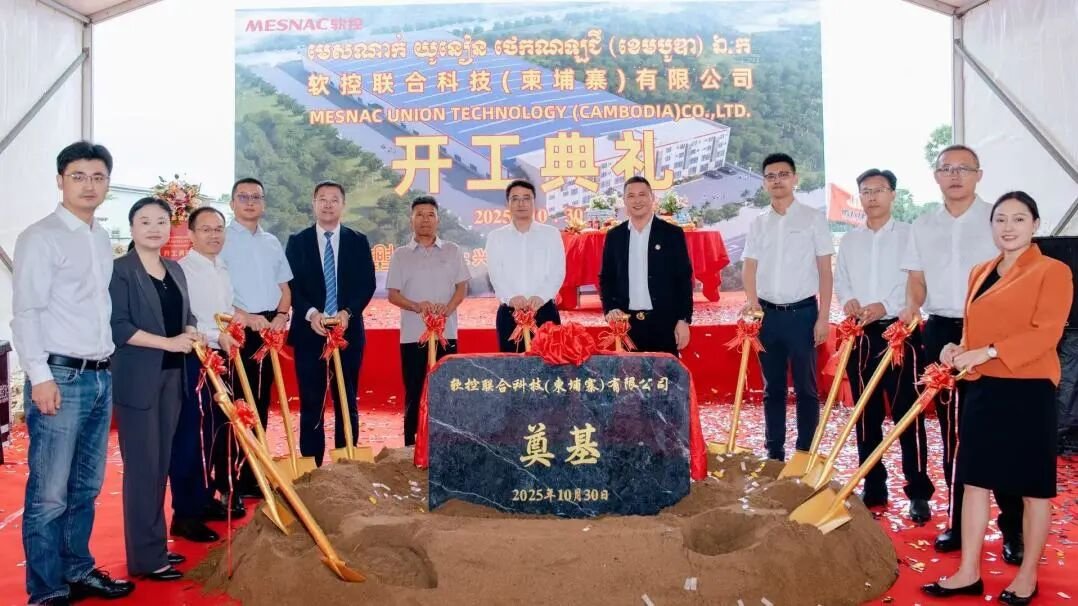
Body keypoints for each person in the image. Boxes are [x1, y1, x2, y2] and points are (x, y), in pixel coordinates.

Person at [922, 191, 1072, 604]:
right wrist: (957, 349)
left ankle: (1027, 575)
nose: (1008, 227)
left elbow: (1046, 333)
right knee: (973, 481)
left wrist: (987, 352)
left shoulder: (1053, 271)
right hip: (984, 387)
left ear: (1035, 225)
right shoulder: (981, 270)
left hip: (1029, 389)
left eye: (1019, 219)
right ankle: (968, 572)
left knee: (1033, 489)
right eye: (1000, 219)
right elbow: (975, 331)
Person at [12, 141, 135, 604]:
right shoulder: (41, 237)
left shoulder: (99, 236)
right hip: (59, 377)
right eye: (79, 176)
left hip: (99, 374)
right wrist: (39, 376)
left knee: (85, 486)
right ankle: (46, 590)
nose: (89, 185)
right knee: (49, 493)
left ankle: (77, 570)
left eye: (98, 177)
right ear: (60, 180)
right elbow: (26, 312)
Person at [899, 144, 1024, 559]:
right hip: (941, 333)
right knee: (953, 434)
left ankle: (1013, 529)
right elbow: (917, 281)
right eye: (947, 169)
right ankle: (958, 523)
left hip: (990, 336)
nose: (955, 175)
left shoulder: (997, 220)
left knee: (999, 431)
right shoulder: (923, 224)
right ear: (936, 176)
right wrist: (911, 306)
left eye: (964, 169)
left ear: (979, 175)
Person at [110, 197, 201, 581]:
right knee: (143, 470)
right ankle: (146, 559)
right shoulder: (119, 271)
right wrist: (169, 343)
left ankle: (155, 545)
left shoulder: (174, 269)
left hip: (172, 379)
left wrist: (191, 330)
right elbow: (119, 327)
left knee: (161, 465)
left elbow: (186, 315)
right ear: (132, 228)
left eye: (161, 221)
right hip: (139, 382)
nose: (153, 228)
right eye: (144, 221)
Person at [834, 169, 933, 523]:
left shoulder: (909, 235)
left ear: (893, 194)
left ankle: (918, 491)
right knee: (865, 415)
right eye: (865, 191)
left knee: (907, 413)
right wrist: (849, 300)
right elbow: (842, 279)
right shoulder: (850, 240)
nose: (872, 197)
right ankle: (873, 485)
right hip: (861, 334)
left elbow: (916, 283)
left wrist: (886, 306)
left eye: (879, 190)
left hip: (900, 332)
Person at [740, 153, 834, 462]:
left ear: (795, 179)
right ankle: (774, 453)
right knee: (773, 389)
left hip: (803, 315)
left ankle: (804, 452)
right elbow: (749, 267)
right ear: (764, 183)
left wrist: (823, 317)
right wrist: (752, 304)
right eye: (770, 176)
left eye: (783, 174)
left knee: (807, 388)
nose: (777, 180)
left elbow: (825, 271)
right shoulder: (758, 222)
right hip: (767, 317)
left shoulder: (812, 218)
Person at [285, 180, 376, 466]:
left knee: (346, 399)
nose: (328, 204)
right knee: (311, 401)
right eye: (322, 199)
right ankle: (312, 466)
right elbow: (291, 285)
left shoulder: (357, 241)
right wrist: (312, 313)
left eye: (334, 199)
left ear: (343, 205)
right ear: (313, 204)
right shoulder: (297, 242)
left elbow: (367, 284)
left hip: (347, 333)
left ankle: (346, 464)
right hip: (309, 332)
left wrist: (348, 312)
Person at [171, 206, 243, 543]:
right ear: (191, 234)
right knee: (193, 436)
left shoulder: (222, 267)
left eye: (218, 229)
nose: (214, 235)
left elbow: (224, 312)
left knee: (215, 430)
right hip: (196, 359)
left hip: (220, 357)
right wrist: (217, 336)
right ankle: (185, 513)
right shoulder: (183, 271)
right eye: (206, 229)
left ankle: (204, 497)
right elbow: (188, 319)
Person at [219, 177, 292, 499]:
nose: (250, 202)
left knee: (260, 403)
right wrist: (244, 317)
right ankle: (229, 481)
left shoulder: (272, 242)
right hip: (237, 329)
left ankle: (254, 475)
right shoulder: (221, 239)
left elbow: (284, 287)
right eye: (243, 197)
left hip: (269, 330)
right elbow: (216, 289)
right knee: (235, 405)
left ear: (264, 203)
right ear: (232, 202)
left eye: (256, 197)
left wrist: (281, 316)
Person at [386, 196, 471, 446]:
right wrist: (416, 306)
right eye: (419, 215)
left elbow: (462, 288)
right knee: (414, 389)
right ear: (411, 220)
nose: (425, 220)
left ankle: (447, 442)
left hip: (447, 333)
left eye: (430, 214)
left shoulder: (452, 250)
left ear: (438, 220)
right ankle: (411, 445)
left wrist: (447, 309)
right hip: (413, 334)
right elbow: (393, 295)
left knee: (447, 388)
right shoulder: (401, 255)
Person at [598, 176, 694, 355]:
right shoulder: (615, 236)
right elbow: (606, 278)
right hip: (627, 325)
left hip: (664, 322)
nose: (637, 200)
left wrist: (683, 319)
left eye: (642, 194)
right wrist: (610, 308)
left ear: (652, 198)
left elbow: (683, 279)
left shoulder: (672, 234)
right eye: (631, 196)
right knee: (630, 373)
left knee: (664, 373)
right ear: (624, 201)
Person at [484, 179, 566, 352]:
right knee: (512, 367)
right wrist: (511, 297)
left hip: (544, 310)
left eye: (526, 198)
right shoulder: (496, 237)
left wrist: (541, 296)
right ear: (508, 204)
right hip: (510, 312)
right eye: (515, 198)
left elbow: (557, 270)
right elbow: (495, 273)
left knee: (549, 365)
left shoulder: (550, 234)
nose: (521, 203)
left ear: (534, 202)